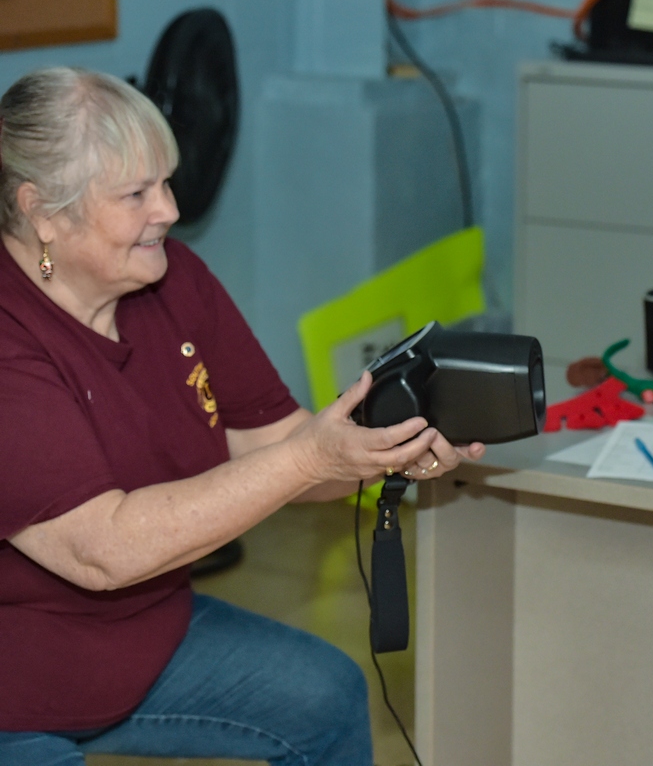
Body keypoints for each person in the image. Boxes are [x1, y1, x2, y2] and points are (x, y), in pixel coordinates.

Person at [0, 67, 483, 765]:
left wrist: (381, 451)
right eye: (136, 193)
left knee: (328, 695)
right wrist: (310, 457)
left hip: (141, 642)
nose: (167, 209)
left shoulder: (169, 277)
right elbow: (100, 552)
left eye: (165, 182)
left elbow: (273, 442)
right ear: (42, 210)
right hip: (16, 694)